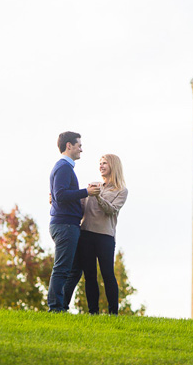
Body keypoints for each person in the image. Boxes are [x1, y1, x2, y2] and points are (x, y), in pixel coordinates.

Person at [64, 153, 129, 314]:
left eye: (104, 163)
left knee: (108, 275)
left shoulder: (121, 191)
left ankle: (113, 313)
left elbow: (111, 210)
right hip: (85, 235)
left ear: (113, 166)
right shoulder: (93, 186)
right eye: (100, 163)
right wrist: (59, 199)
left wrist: (98, 196)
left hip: (105, 237)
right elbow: (78, 205)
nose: (101, 166)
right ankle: (93, 312)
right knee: (89, 276)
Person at [48, 131, 101, 312]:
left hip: (69, 225)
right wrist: (86, 192)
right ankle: (55, 308)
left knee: (76, 269)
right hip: (65, 226)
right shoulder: (63, 167)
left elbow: (57, 195)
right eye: (79, 145)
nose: (81, 149)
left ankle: (61, 305)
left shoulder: (65, 168)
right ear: (69, 146)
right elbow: (60, 195)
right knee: (62, 268)